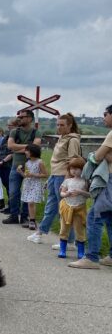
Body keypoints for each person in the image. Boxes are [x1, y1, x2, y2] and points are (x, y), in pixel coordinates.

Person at [27, 113, 82, 245]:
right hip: (55, 175)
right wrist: (50, 178)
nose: (59, 127)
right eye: (57, 124)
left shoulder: (72, 140)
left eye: (62, 125)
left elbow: (72, 161)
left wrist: (67, 181)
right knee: (50, 207)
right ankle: (40, 232)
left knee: (64, 209)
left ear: (70, 125)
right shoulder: (62, 138)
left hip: (63, 177)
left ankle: (69, 241)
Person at [69, 104, 112, 270]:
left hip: (109, 180)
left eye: (105, 114)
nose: (104, 117)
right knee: (110, 218)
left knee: (95, 217)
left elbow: (98, 156)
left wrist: (97, 154)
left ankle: (91, 257)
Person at [3, 109, 41, 225]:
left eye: (22, 117)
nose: (19, 119)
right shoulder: (14, 131)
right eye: (19, 117)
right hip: (16, 166)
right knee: (13, 192)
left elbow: (35, 147)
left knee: (27, 192)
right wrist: (28, 147)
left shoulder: (36, 132)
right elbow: (10, 146)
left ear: (30, 118)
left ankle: (24, 216)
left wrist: (18, 148)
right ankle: (14, 215)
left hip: (31, 167)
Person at [56, 157, 89, 259]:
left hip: (79, 208)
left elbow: (89, 194)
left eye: (77, 168)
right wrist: (66, 194)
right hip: (67, 206)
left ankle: (81, 252)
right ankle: (62, 249)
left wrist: (80, 192)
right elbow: (61, 193)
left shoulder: (85, 182)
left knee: (79, 230)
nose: (74, 170)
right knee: (64, 228)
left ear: (83, 169)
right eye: (72, 168)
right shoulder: (67, 181)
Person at [18, 144, 47, 231]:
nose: (25, 152)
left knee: (31, 202)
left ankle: (32, 221)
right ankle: (32, 221)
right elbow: (26, 176)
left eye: (27, 150)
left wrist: (33, 174)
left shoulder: (40, 162)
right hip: (28, 184)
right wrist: (20, 172)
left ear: (33, 152)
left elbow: (45, 174)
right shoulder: (27, 163)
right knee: (29, 203)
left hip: (36, 184)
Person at [0, 118, 18, 212]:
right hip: (2, 164)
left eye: (10, 125)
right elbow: (0, 150)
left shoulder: (16, 137)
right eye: (8, 125)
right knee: (6, 186)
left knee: (11, 188)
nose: (8, 127)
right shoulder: (7, 136)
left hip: (8, 165)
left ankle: (12, 207)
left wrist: (3, 161)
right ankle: (9, 206)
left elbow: (13, 152)